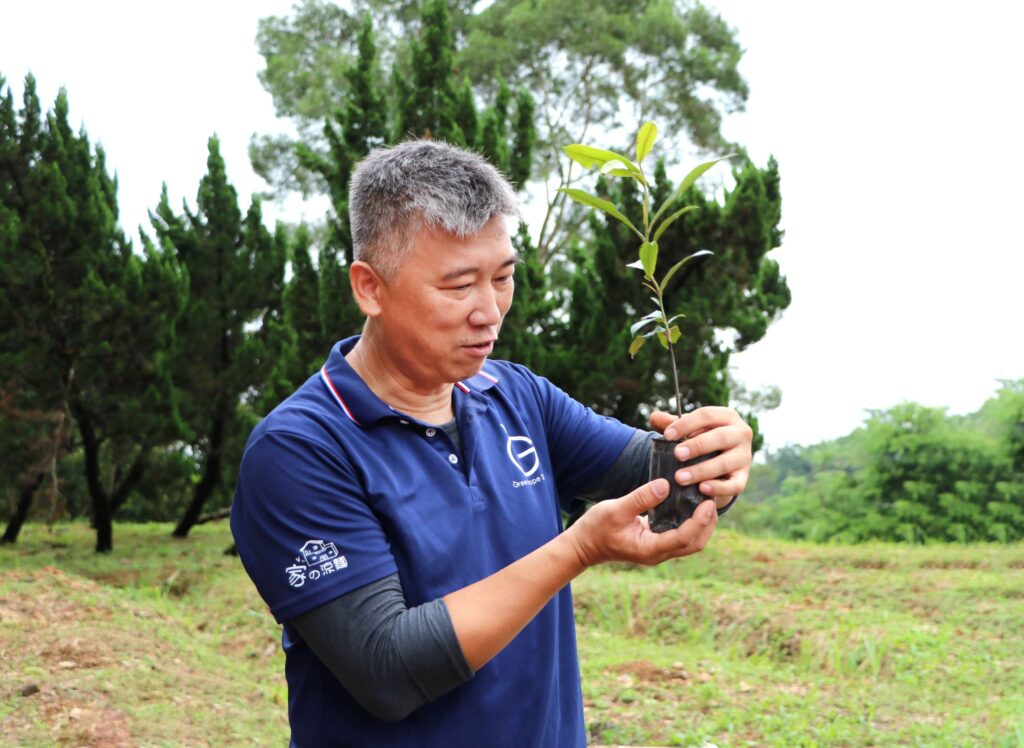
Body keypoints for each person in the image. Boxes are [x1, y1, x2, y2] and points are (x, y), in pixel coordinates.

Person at [230, 139, 753, 748]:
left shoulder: (516, 397)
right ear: (370, 288)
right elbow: (386, 670)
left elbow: (657, 479)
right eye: (458, 287)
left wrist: (715, 454)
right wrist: (577, 549)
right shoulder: (300, 450)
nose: (489, 312)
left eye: (502, 278)